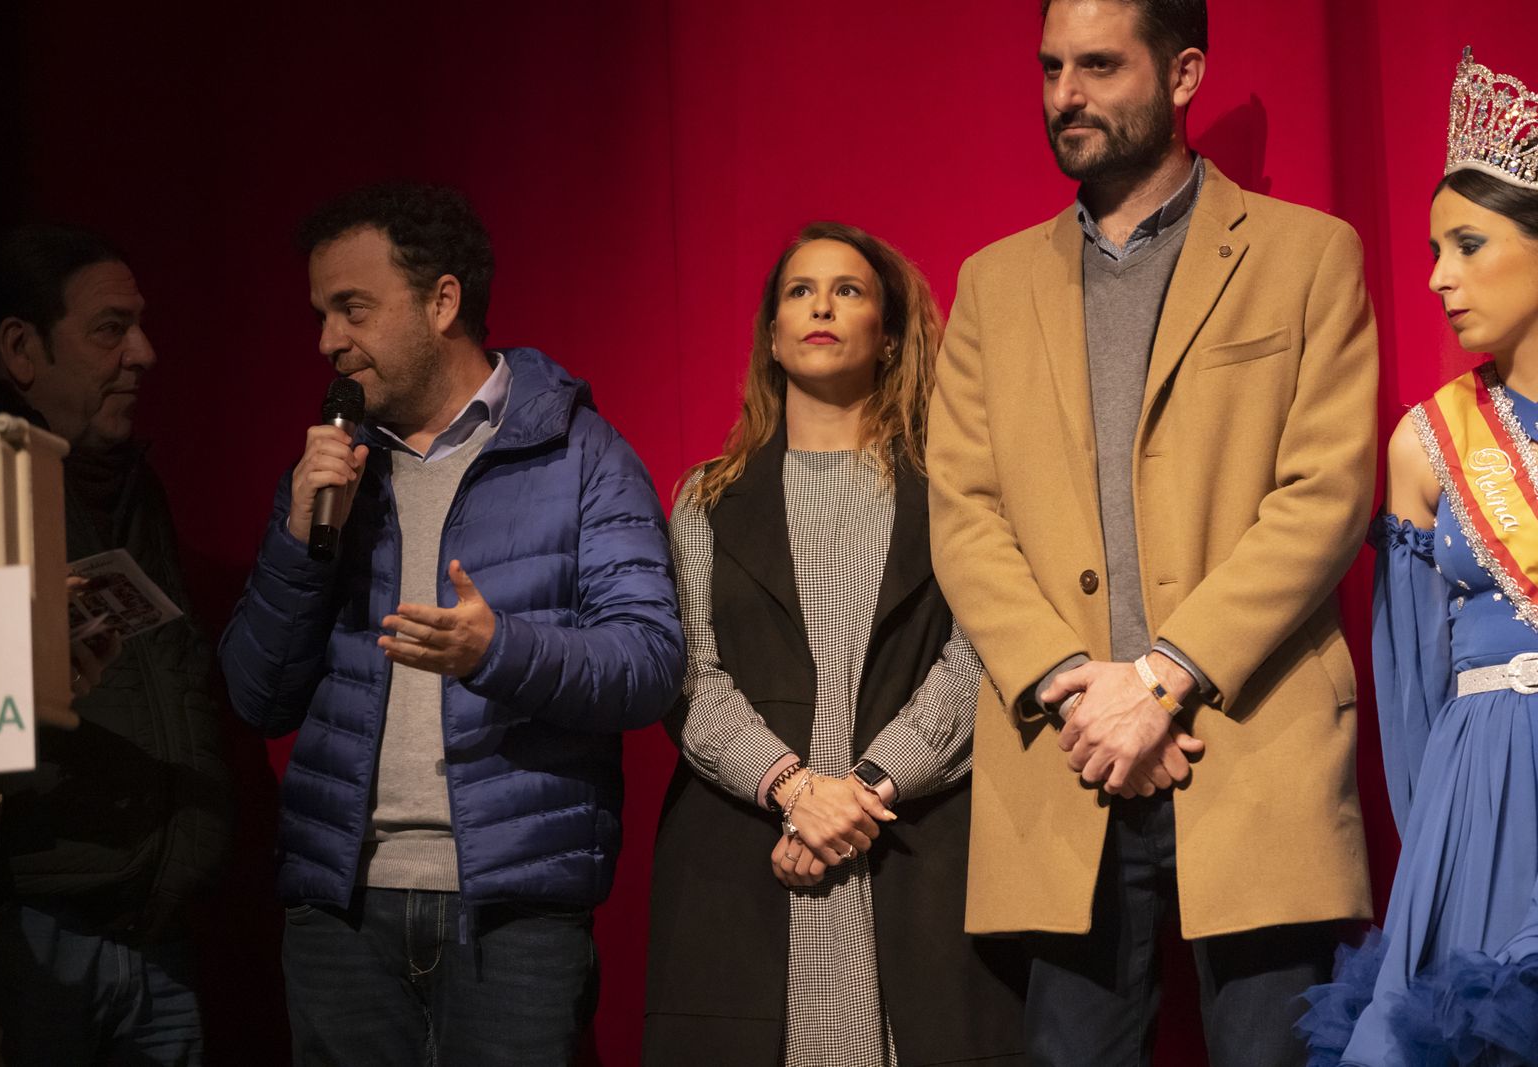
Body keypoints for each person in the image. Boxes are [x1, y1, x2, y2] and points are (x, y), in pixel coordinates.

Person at [925, 0, 1380, 1063]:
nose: (1062, 96)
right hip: (1067, 757)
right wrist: (1077, 686)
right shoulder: (992, 284)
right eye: (1048, 68)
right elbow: (964, 508)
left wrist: (1163, 674)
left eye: (1095, 66)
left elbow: (1324, 492)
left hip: (1251, 748)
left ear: (1182, 76)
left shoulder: (1307, 254)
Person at [218, 182, 683, 1066]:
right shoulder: (328, 468)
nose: (327, 341)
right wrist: (297, 539)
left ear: (442, 301)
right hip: (340, 910)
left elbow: (648, 659)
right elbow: (257, 694)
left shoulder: (580, 454)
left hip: (511, 917)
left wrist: (497, 649)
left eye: (352, 308)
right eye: (320, 313)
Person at [642, 222, 1026, 1066]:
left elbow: (979, 654)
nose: (821, 304)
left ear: (888, 337)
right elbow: (689, 674)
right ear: (773, 336)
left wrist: (862, 790)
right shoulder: (706, 499)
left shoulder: (952, 492)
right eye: (799, 291)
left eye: (848, 290)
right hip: (742, 862)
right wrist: (793, 791)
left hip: (919, 852)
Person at [0, 223, 233, 1067]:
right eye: (111, 328)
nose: (143, 351)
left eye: (139, 324)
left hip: (160, 940)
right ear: (20, 348)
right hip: (33, 947)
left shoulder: (137, 489)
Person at [1298, 47, 1538, 1067]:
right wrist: (1441, 833)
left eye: (1468, 243)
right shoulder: (1426, 442)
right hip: (1488, 788)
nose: (1437, 275)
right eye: (1434, 247)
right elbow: (1408, 691)